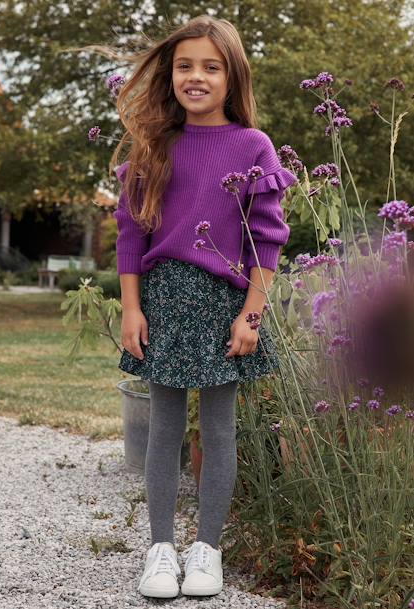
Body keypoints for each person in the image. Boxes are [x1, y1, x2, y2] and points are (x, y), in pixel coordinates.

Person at [108, 14, 298, 599]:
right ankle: (160, 550)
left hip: (225, 303)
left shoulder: (253, 147)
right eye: (184, 66)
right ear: (170, 76)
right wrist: (131, 308)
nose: (196, 77)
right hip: (163, 301)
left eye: (210, 67)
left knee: (219, 431)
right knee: (163, 429)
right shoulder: (154, 144)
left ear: (231, 76)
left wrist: (252, 314)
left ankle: (207, 550)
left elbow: (267, 239)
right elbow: (130, 235)